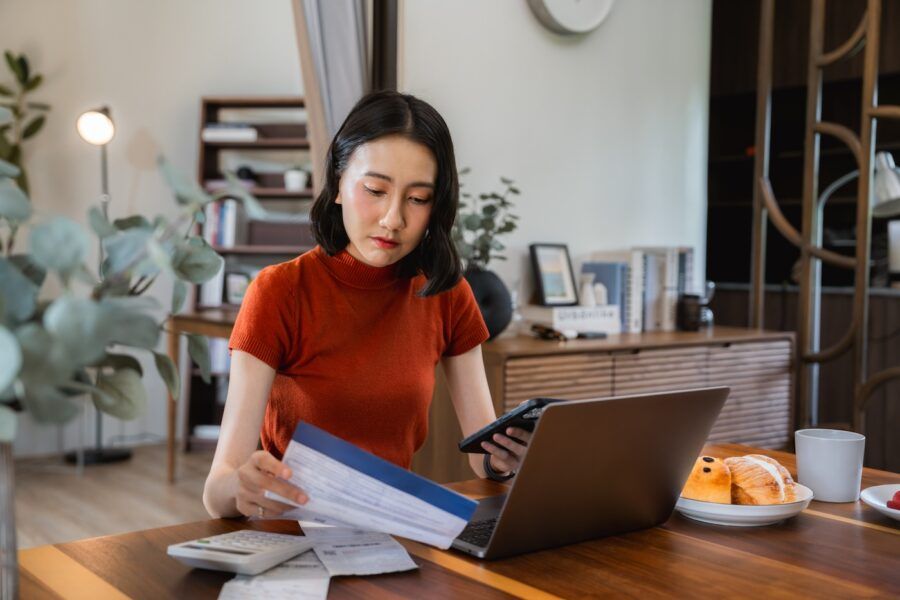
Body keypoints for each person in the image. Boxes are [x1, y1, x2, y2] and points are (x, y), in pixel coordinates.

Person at [203, 91, 531, 519]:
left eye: (417, 199)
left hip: (394, 528)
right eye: (375, 190)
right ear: (338, 185)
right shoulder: (279, 291)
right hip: (294, 529)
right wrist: (239, 487)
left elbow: (480, 452)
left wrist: (504, 459)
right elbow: (217, 489)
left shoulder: (446, 294)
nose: (393, 219)